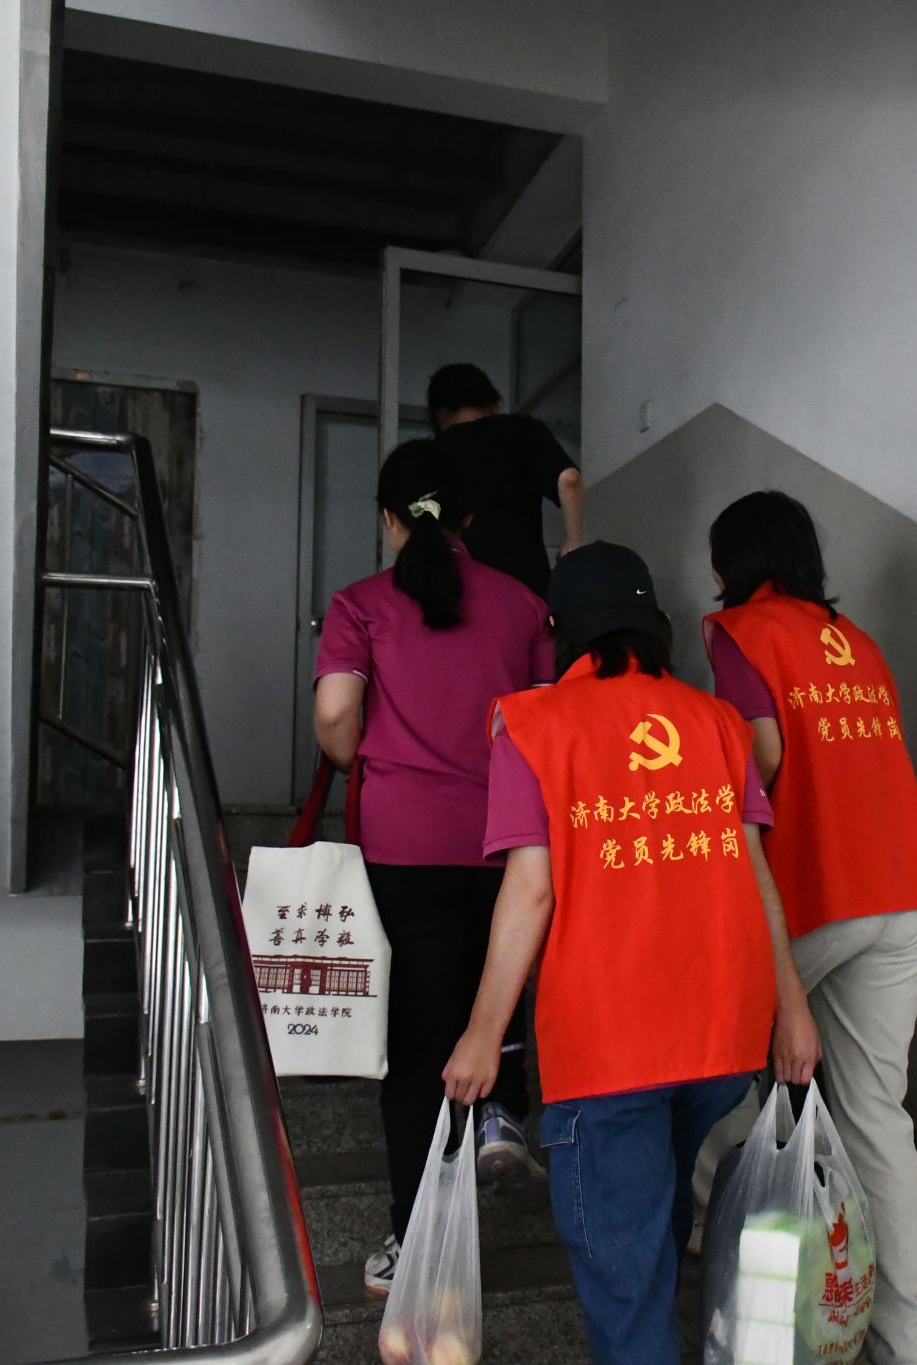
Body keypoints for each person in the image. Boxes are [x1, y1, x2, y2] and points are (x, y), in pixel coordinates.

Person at [440, 542, 821, 1365]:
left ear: (559, 629)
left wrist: (482, 1033)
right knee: (657, 1234)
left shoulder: (533, 725)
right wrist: (792, 1011)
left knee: (627, 1273)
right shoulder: (718, 723)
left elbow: (530, 892)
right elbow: (755, 872)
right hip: (721, 1039)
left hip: (607, 1047)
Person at [701, 490, 917, 1365]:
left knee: (718, 1061)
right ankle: (908, 1340)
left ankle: (705, 1242)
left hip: (817, 890)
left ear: (730, 564)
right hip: (904, 889)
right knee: (878, 1115)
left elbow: (763, 752)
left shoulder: (740, 630)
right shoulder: (862, 644)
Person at [311, 439, 553, 1300]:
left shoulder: (361, 603)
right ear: (469, 519)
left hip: (403, 844)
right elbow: (546, 727)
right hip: (505, 841)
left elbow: (335, 717)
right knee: (497, 991)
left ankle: (417, 1239)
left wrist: (366, 752)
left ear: (387, 519)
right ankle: (501, 1115)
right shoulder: (524, 605)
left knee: (417, 1043)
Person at [428, 362, 584, 598]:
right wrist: (573, 543)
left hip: (459, 591)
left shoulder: (431, 455)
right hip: (526, 589)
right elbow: (569, 480)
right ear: (491, 401)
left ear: (440, 412)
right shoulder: (524, 430)